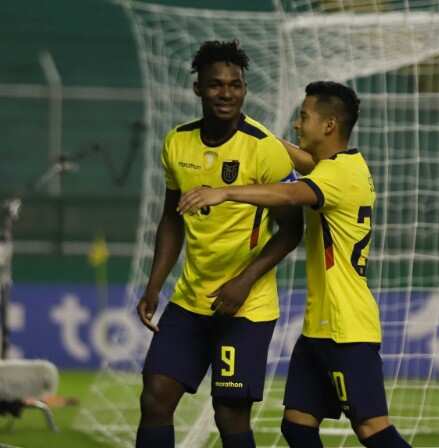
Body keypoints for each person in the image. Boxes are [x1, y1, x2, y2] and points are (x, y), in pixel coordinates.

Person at [177, 81, 411, 448]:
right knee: (297, 427)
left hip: (346, 328)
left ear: (329, 125)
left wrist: (224, 191)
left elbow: (288, 193)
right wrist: (251, 133)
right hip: (319, 327)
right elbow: (299, 159)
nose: (298, 125)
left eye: (304, 117)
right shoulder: (341, 164)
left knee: (372, 429)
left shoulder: (337, 176)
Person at [135, 40, 303, 448]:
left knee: (230, 414)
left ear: (244, 89)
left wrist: (244, 282)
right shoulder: (177, 143)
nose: (226, 93)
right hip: (190, 302)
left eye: (235, 85)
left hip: (247, 306)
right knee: (155, 399)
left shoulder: (266, 149)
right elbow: (171, 220)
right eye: (216, 85)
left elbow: (292, 231)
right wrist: (155, 284)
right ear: (198, 89)